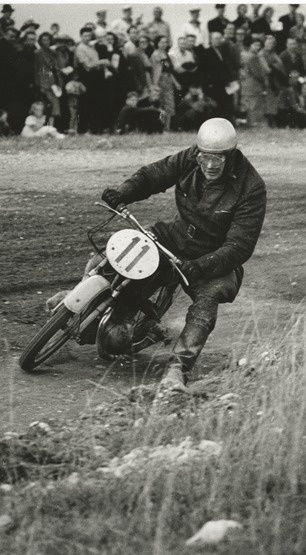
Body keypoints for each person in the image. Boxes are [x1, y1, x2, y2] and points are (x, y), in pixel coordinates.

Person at [99, 118, 266, 398]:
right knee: (127, 252)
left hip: (214, 259)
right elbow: (155, 175)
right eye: (206, 157)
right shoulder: (190, 158)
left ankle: (178, 369)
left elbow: (239, 246)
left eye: (219, 159)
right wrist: (124, 193)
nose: (210, 165)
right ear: (198, 151)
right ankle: (93, 305)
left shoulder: (251, 187)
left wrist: (199, 267)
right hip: (175, 237)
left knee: (207, 301)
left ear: (232, 154)